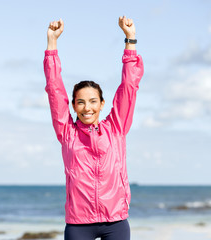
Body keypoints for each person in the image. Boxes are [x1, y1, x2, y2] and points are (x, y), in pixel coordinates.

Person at [43, 16, 144, 240]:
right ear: (73, 105)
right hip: (79, 224)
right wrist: (52, 45)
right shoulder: (67, 133)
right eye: (80, 102)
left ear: (101, 104)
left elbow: (129, 86)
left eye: (92, 101)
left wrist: (130, 40)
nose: (87, 108)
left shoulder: (116, 128)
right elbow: (54, 90)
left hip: (115, 221)